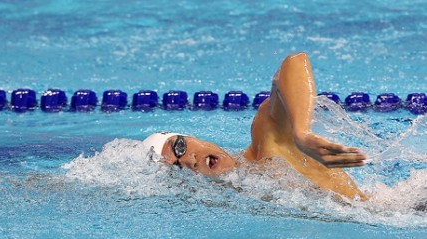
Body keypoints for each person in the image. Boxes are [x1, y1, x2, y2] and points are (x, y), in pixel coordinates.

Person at [143, 52, 367, 201]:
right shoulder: (239, 199)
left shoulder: (266, 142)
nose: (189, 161)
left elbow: (294, 63)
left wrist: (301, 133)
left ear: (192, 137)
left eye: (179, 148)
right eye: (177, 167)